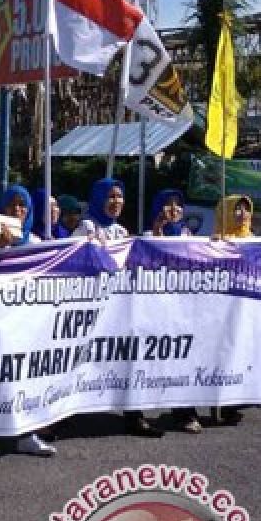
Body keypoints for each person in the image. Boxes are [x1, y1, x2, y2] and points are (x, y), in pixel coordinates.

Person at [73, 178, 164, 437]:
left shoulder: (123, 232)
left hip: (120, 310)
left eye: (120, 197)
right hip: (93, 310)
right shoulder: (87, 226)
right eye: (111, 196)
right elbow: (74, 259)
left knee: (130, 357)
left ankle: (135, 416)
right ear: (99, 198)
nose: (116, 202)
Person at [0, 186, 57, 457]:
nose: (17, 210)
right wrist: (0, 248)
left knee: (27, 376)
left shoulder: (35, 242)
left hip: (28, 323)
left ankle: (26, 433)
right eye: (12, 205)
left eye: (23, 205)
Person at [144, 189, 202, 433]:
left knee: (184, 360)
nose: (174, 210)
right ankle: (137, 411)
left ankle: (185, 412)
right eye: (167, 205)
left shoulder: (189, 236)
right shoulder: (148, 234)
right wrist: (158, 229)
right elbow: (150, 258)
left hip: (183, 310)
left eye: (178, 205)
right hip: (155, 309)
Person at [212, 194, 253, 426]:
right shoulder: (215, 240)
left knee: (241, 354)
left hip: (244, 309)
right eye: (236, 209)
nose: (241, 214)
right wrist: (217, 245)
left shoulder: (254, 241)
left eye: (245, 209)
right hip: (221, 309)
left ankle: (232, 404)